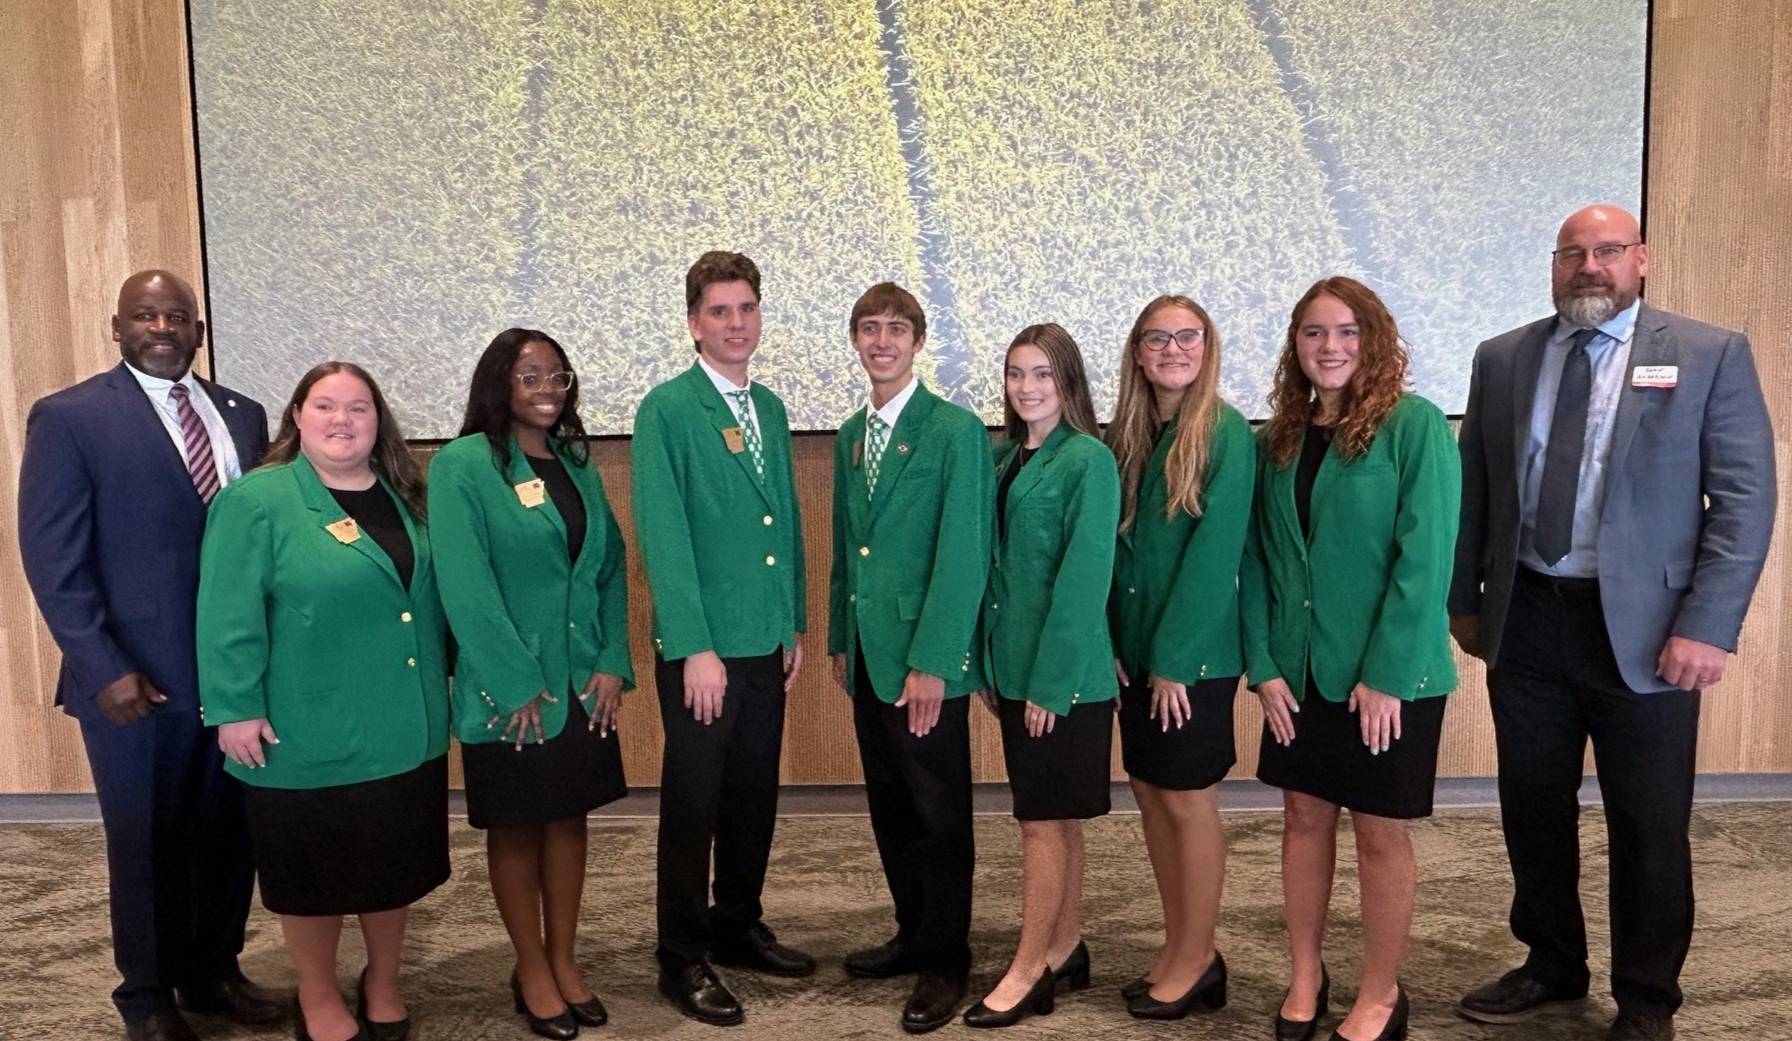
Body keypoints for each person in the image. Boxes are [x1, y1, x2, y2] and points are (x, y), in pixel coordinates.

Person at [1450, 205, 1775, 1041]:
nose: (1588, 266)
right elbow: (1477, 492)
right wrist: (1465, 601)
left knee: (1649, 820)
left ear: (1642, 260)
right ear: (1553, 264)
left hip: (1651, 631)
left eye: (1606, 251)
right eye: (1571, 253)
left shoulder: (1707, 355)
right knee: (1532, 806)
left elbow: (1743, 504)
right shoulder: (1504, 357)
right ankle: (1552, 962)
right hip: (1528, 617)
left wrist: (1708, 624)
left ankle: (1645, 998)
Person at [16, 270, 280, 1041]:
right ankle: (147, 995)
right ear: (117, 326)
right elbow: (53, 556)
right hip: (136, 680)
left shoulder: (242, 413)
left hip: (236, 675)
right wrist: (101, 665)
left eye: (177, 315)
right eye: (145, 314)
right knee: (147, 838)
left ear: (198, 329)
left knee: (231, 830)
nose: (162, 326)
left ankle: (213, 969)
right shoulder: (71, 418)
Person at [196, 362, 449, 1041]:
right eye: (326, 405)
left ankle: (384, 981)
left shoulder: (406, 494)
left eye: (359, 407)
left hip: (405, 725)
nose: (343, 420)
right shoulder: (259, 499)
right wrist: (232, 706)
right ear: (297, 418)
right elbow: (226, 611)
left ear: (379, 422)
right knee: (313, 874)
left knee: (394, 867)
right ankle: (317, 993)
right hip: (304, 729)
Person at [1240, 276, 1460, 1041]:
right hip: (1297, 675)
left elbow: (1423, 559)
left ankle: (1380, 991)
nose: (1330, 347)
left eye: (1347, 332)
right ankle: (1307, 974)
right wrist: (1263, 664)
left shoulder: (1416, 425)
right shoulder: (1279, 439)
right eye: (1313, 333)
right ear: (1295, 345)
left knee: (1378, 831)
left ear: (1374, 341)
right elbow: (1261, 560)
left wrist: (1386, 674)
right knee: (1301, 816)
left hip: (1388, 678)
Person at [429, 330, 633, 1039]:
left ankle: (564, 959)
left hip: (582, 685)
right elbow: (465, 583)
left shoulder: (575, 461)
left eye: (558, 374)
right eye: (529, 375)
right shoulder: (463, 465)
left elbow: (607, 564)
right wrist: (515, 681)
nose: (548, 386)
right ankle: (531, 968)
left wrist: (613, 658)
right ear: (499, 382)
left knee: (569, 818)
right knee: (517, 826)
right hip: (510, 692)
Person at [632, 251, 811, 1026]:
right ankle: (681, 951)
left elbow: (786, 519)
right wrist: (693, 644)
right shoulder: (667, 409)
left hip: (763, 640)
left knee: (752, 793)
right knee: (694, 800)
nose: (736, 324)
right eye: (719, 312)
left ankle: (736, 921)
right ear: (693, 323)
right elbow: (664, 536)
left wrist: (791, 618)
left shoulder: (766, 406)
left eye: (746, 309)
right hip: (703, 649)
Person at [827, 283, 993, 1034]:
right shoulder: (850, 434)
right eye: (870, 327)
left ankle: (946, 958)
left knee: (938, 810)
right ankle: (912, 931)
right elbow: (845, 548)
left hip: (926, 660)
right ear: (857, 340)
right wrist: (840, 635)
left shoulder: (955, 431)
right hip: (868, 653)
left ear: (918, 341)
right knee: (890, 801)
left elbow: (963, 554)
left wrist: (935, 659)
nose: (882, 340)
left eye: (897, 328)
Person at [964, 323, 1120, 1029]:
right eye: (1016, 374)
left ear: (1069, 384)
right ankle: (1064, 943)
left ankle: (1028, 969)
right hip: (1016, 671)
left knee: (1039, 824)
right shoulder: (1003, 462)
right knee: (1056, 819)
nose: (1027, 388)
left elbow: (1085, 579)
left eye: (1042, 376)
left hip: (1066, 681)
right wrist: (991, 664)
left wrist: (1051, 685)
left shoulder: (1088, 460)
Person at [1104, 296, 1254, 1019]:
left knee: (1188, 800)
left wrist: (1172, 658)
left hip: (1189, 663)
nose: (1172, 349)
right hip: (1134, 654)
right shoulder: (1127, 435)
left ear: (1207, 346)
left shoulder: (1224, 433)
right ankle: (1179, 945)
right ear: (1138, 352)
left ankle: (1197, 958)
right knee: (1151, 791)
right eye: (1157, 338)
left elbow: (1214, 558)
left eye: (1186, 336)